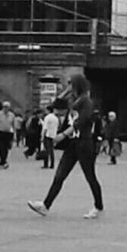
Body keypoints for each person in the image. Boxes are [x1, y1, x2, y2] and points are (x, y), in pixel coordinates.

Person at [28, 76, 102, 219]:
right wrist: (65, 93)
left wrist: (63, 134)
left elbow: (81, 121)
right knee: (60, 174)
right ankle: (46, 205)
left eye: (71, 84)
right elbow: (54, 107)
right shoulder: (74, 101)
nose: (69, 87)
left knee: (90, 176)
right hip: (73, 143)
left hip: (84, 142)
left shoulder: (86, 101)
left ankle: (98, 206)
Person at [0, 101, 17, 167]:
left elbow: (14, 125)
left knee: (6, 148)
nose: (5, 108)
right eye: (4, 107)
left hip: (8, 133)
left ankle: (2, 161)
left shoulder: (12, 115)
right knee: (1, 147)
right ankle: (3, 161)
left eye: (7, 107)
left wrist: (15, 135)